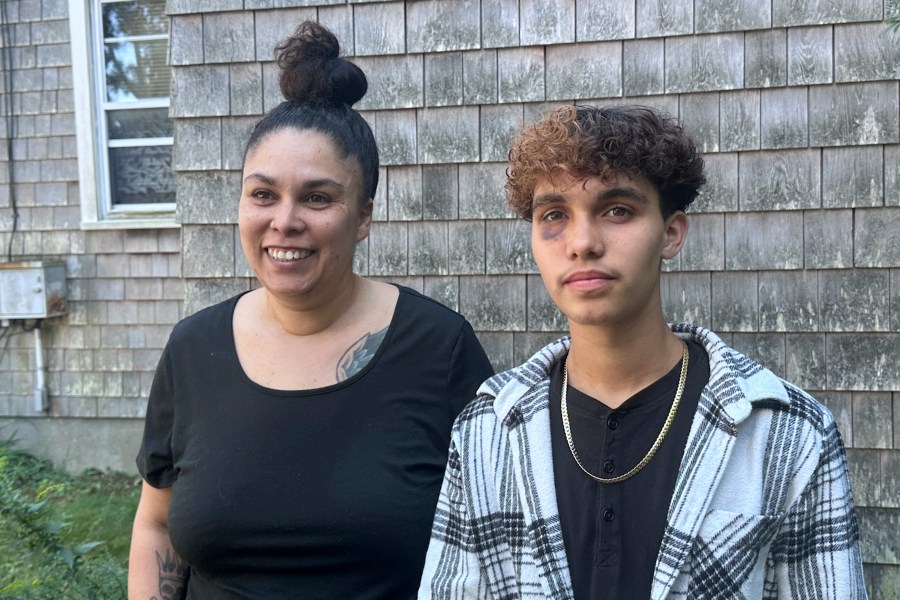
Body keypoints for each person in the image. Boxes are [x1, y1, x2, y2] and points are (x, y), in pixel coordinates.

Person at [419, 105, 866, 599]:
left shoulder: (788, 432)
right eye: (554, 216)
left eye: (617, 210)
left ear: (671, 233)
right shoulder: (486, 430)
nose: (582, 243)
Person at [128, 21, 493, 599]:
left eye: (318, 197)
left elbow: (493, 541)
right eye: (263, 194)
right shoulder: (194, 348)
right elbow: (155, 523)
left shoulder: (439, 348)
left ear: (364, 216)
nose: (285, 221)